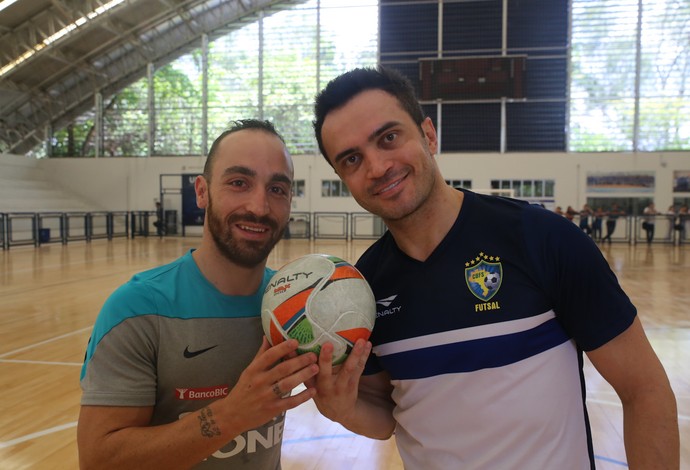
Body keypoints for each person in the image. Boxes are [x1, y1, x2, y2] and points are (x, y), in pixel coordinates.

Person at [310, 66, 679, 469]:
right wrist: (342, 408)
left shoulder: (541, 238)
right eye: (352, 159)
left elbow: (644, 390)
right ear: (342, 176)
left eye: (389, 138)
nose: (377, 167)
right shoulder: (366, 288)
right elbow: (385, 415)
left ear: (429, 135)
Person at [77, 120, 319, 469]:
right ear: (202, 192)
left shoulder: (292, 307)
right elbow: (99, 461)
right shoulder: (138, 309)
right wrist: (231, 416)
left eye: (277, 189)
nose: (260, 206)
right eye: (239, 183)